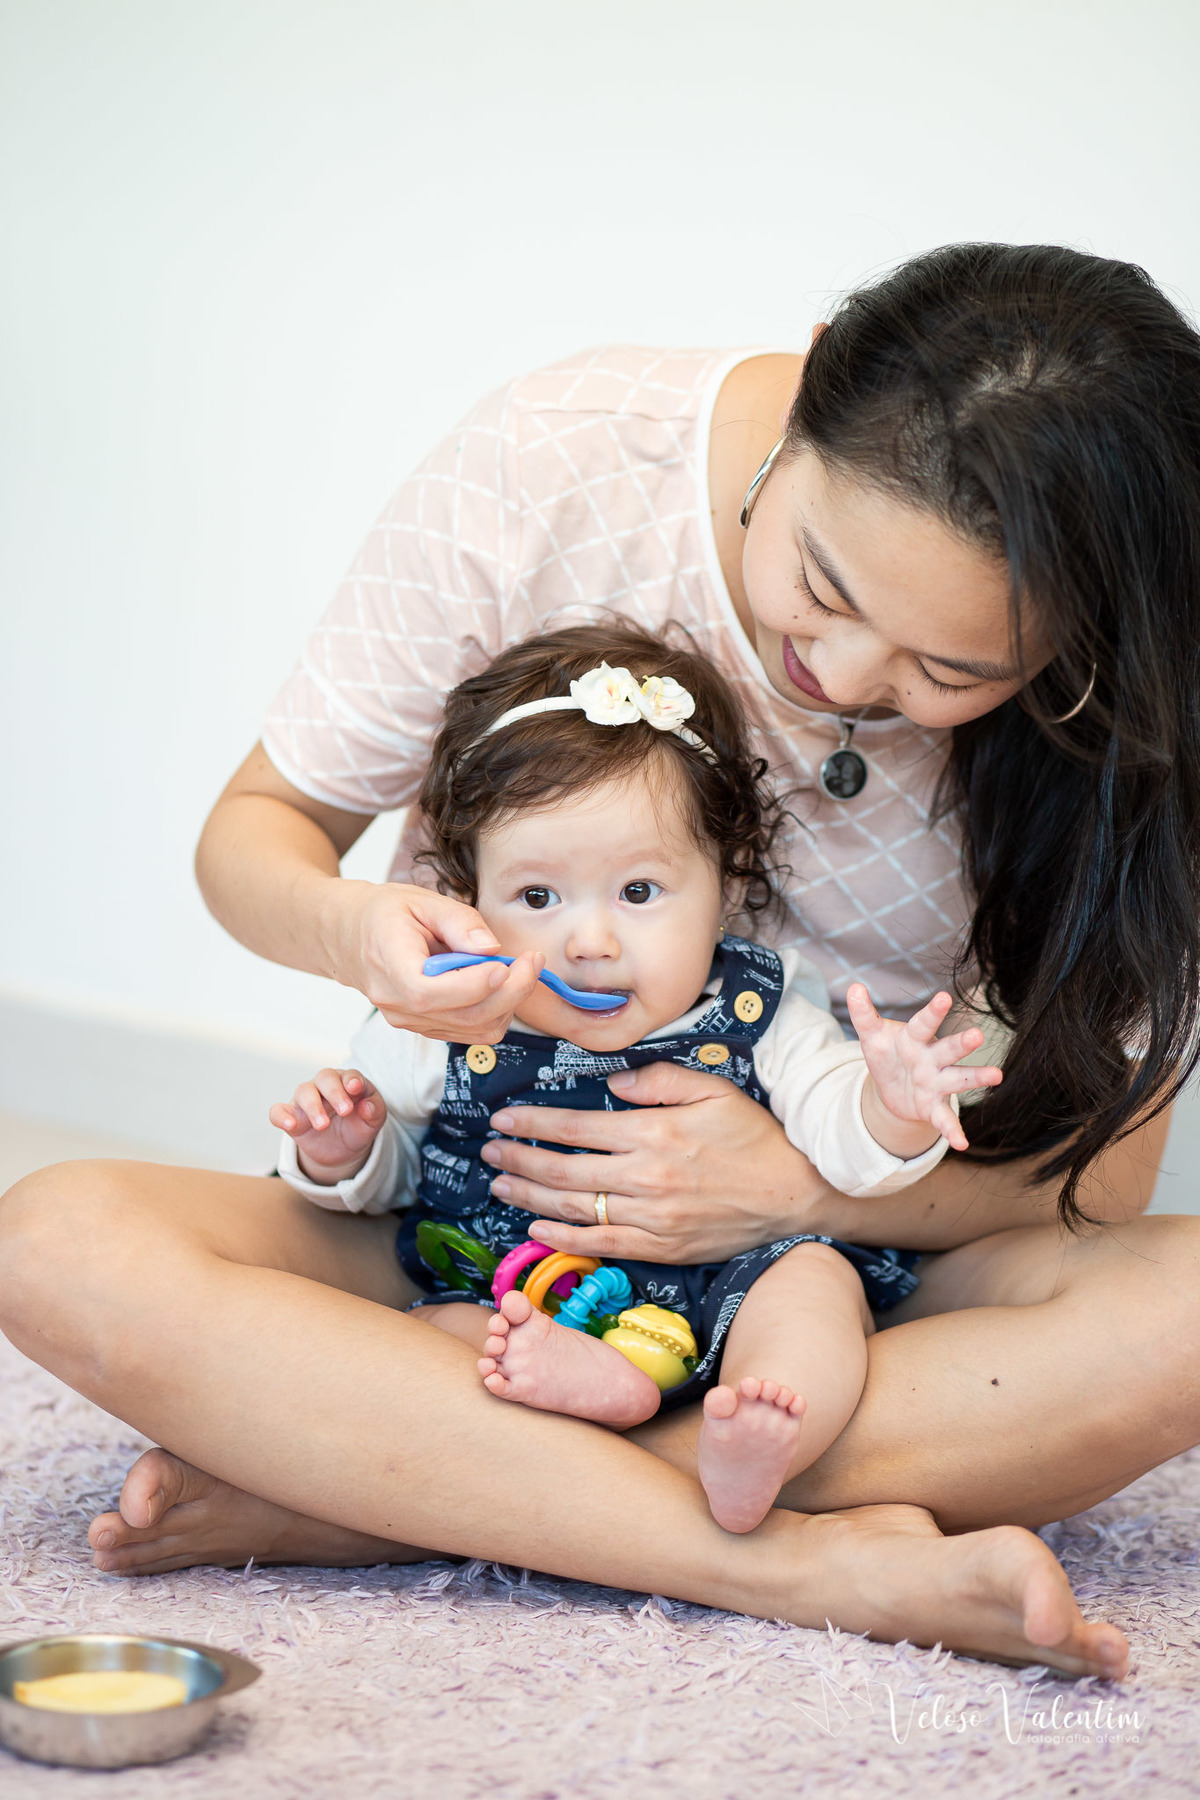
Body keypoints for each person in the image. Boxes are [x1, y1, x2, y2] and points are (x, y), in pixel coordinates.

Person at [4, 242, 1200, 1679]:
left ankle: (384, 1478)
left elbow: (1103, 1185)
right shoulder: (550, 463)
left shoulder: (1126, 705)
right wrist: (354, 936)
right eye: (823, 586)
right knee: (54, 1241)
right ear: (815, 380)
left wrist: (796, 1185)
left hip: (822, 1292)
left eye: (952, 674)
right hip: (476, 1248)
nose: (852, 680)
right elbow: (256, 836)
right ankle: (797, 1563)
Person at [271, 624, 1001, 1534]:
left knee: (816, 1287)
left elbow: (845, 1148)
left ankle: (764, 1436)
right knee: (425, 1347)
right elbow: (392, 1182)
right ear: (470, 901)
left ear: (727, 887)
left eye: (640, 893)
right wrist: (344, 1153)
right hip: (512, 1300)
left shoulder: (759, 1012)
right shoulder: (449, 1022)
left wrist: (891, 1106)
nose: (590, 941)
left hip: (723, 1289)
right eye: (538, 899)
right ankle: (591, 1399)